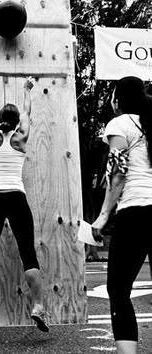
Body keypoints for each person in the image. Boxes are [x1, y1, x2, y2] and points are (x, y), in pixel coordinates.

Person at [0, 74, 49, 334]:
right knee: (28, 252)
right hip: (17, 196)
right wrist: (27, 89)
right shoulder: (20, 138)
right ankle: (38, 307)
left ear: (0, 121)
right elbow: (28, 111)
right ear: (16, 122)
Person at [92, 76, 152, 354]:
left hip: (136, 212)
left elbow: (118, 171)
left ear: (118, 99)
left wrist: (103, 216)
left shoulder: (121, 123)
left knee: (118, 291)